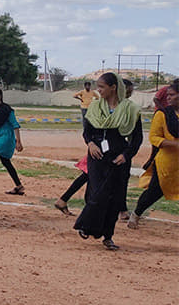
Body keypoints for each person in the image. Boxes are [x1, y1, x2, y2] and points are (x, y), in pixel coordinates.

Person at [74, 72, 142, 250]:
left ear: (114, 87)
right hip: (97, 156)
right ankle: (87, 226)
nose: (99, 90)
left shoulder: (130, 109)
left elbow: (137, 138)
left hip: (118, 158)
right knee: (98, 193)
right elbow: (87, 131)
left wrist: (126, 155)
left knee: (115, 198)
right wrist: (90, 144)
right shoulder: (95, 107)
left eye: (102, 87)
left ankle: (108, 236)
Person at [127, 81, 178, 228]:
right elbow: (154, 138)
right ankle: (136, 214)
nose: (168, 98)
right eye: (167, 95)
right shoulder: (162, 114)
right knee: (155, 191)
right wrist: (174, 144)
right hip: (166, 163)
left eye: (172, 95)